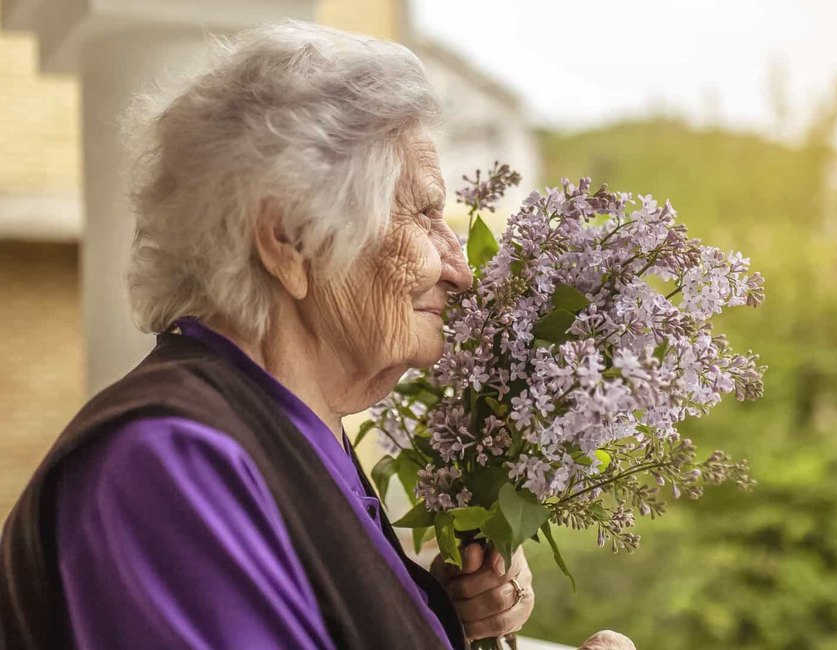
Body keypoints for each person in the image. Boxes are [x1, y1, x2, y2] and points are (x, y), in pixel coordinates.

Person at [0, 20, 634, 650]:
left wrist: (431, 609)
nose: (461, 270)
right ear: (289, 239)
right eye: (422, 214)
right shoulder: (177, 459)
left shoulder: (290, 432)